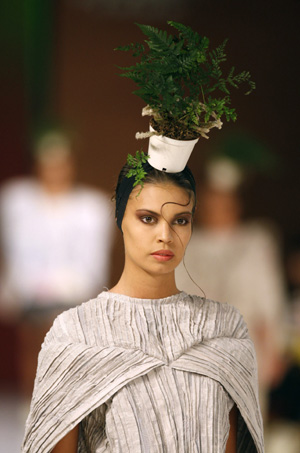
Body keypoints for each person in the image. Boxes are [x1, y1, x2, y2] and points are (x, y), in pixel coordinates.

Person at [22, 160, 264, 452]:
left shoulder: (225, 328)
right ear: (119, 218)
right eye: (148, 218)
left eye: (181, 220)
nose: (166, 235)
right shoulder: (76, 334)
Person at [0, 128, 114, 397]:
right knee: (35, 348)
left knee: (66, 349)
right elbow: (12, 254)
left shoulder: (92, 207)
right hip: (29, 298)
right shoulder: (15, 200)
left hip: (75, 298)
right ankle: (32, 407)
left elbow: (93, 264)